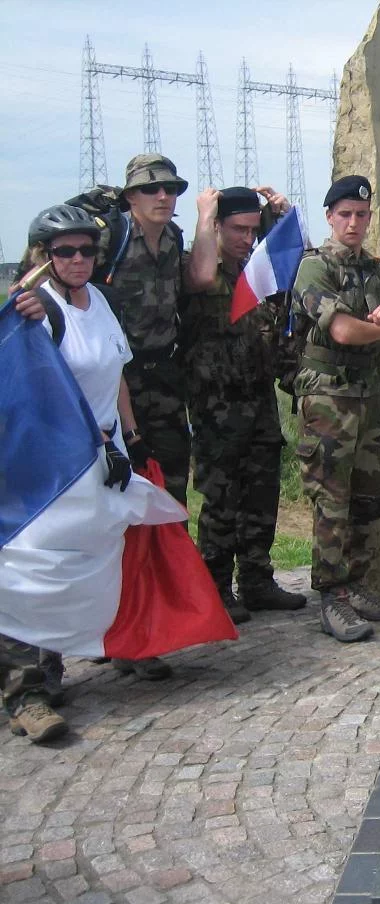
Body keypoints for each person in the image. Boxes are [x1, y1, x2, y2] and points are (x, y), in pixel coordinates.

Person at [2, 206, 144, 741]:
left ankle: (61, 661)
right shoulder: (38, 311)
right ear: (44, 257)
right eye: (66, 251)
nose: (79, 259)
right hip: (49, 468)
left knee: (81, 564)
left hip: (100, 457)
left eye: (87, 250)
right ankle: (27, 694)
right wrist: (26, 313)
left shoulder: (100, 301)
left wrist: (130, 433)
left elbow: (117, 370)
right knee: (29, 570)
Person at [291, 175, 380, 642]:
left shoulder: (375, 271)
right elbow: (343, 332)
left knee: (367, 498)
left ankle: (356, 584)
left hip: (367, 398)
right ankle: (331, 598)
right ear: (330, 217)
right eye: (345, 215)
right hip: (328, 400)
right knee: (331, 500)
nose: (354, 223)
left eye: (361, 215)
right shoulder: (315, 268)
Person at [182, 186, 307, 623]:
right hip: (216, 405)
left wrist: (283, 216)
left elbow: (298, 265)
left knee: (261, 493)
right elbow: (196, 280)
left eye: (253, 230)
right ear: (217, 226)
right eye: (237, 229)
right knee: (221, 501)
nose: (246, 238)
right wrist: (203, 216)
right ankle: (216, 587)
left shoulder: (258, 269)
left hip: (258, 398)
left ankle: (256, 579)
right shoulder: (200, 267)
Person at [112, 153, 219, 505]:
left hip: (164, 376)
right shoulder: (111, 238)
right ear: (131, 196)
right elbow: (55, 273)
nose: (162, 196)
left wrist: (207, 217)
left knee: (173, 484)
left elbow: (202, 277)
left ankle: (169, 558)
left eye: (170, 189)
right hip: (119, 381)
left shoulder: (172, 236)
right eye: (150, 188)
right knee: (118, 481)